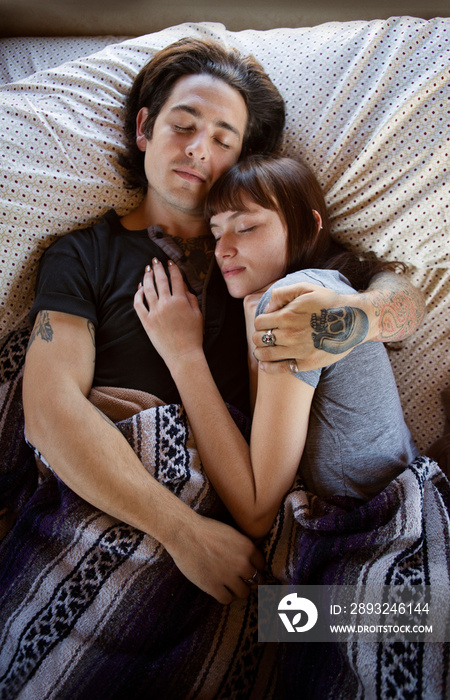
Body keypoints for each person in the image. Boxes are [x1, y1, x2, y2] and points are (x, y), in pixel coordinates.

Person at [22, 38, 425, 604]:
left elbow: (398, 288)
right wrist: (183, 533)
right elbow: (47, 412)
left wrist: (357, 317)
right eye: (183, 126)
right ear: (145, 129)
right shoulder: (84, 253)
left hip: (276, 525)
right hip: (139, 512)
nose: (197, 150)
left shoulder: (263, 247)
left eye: (222, 139)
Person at [134, 154, 420, 539]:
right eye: (217, 234)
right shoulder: (301, 293)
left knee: (282, 604)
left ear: (309, 227)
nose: (222, 250)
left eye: (246, 227)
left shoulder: (295, 297)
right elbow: (265, 455)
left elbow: (256, 512)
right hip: (397, 506)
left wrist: (182, 355)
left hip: (375, 530)